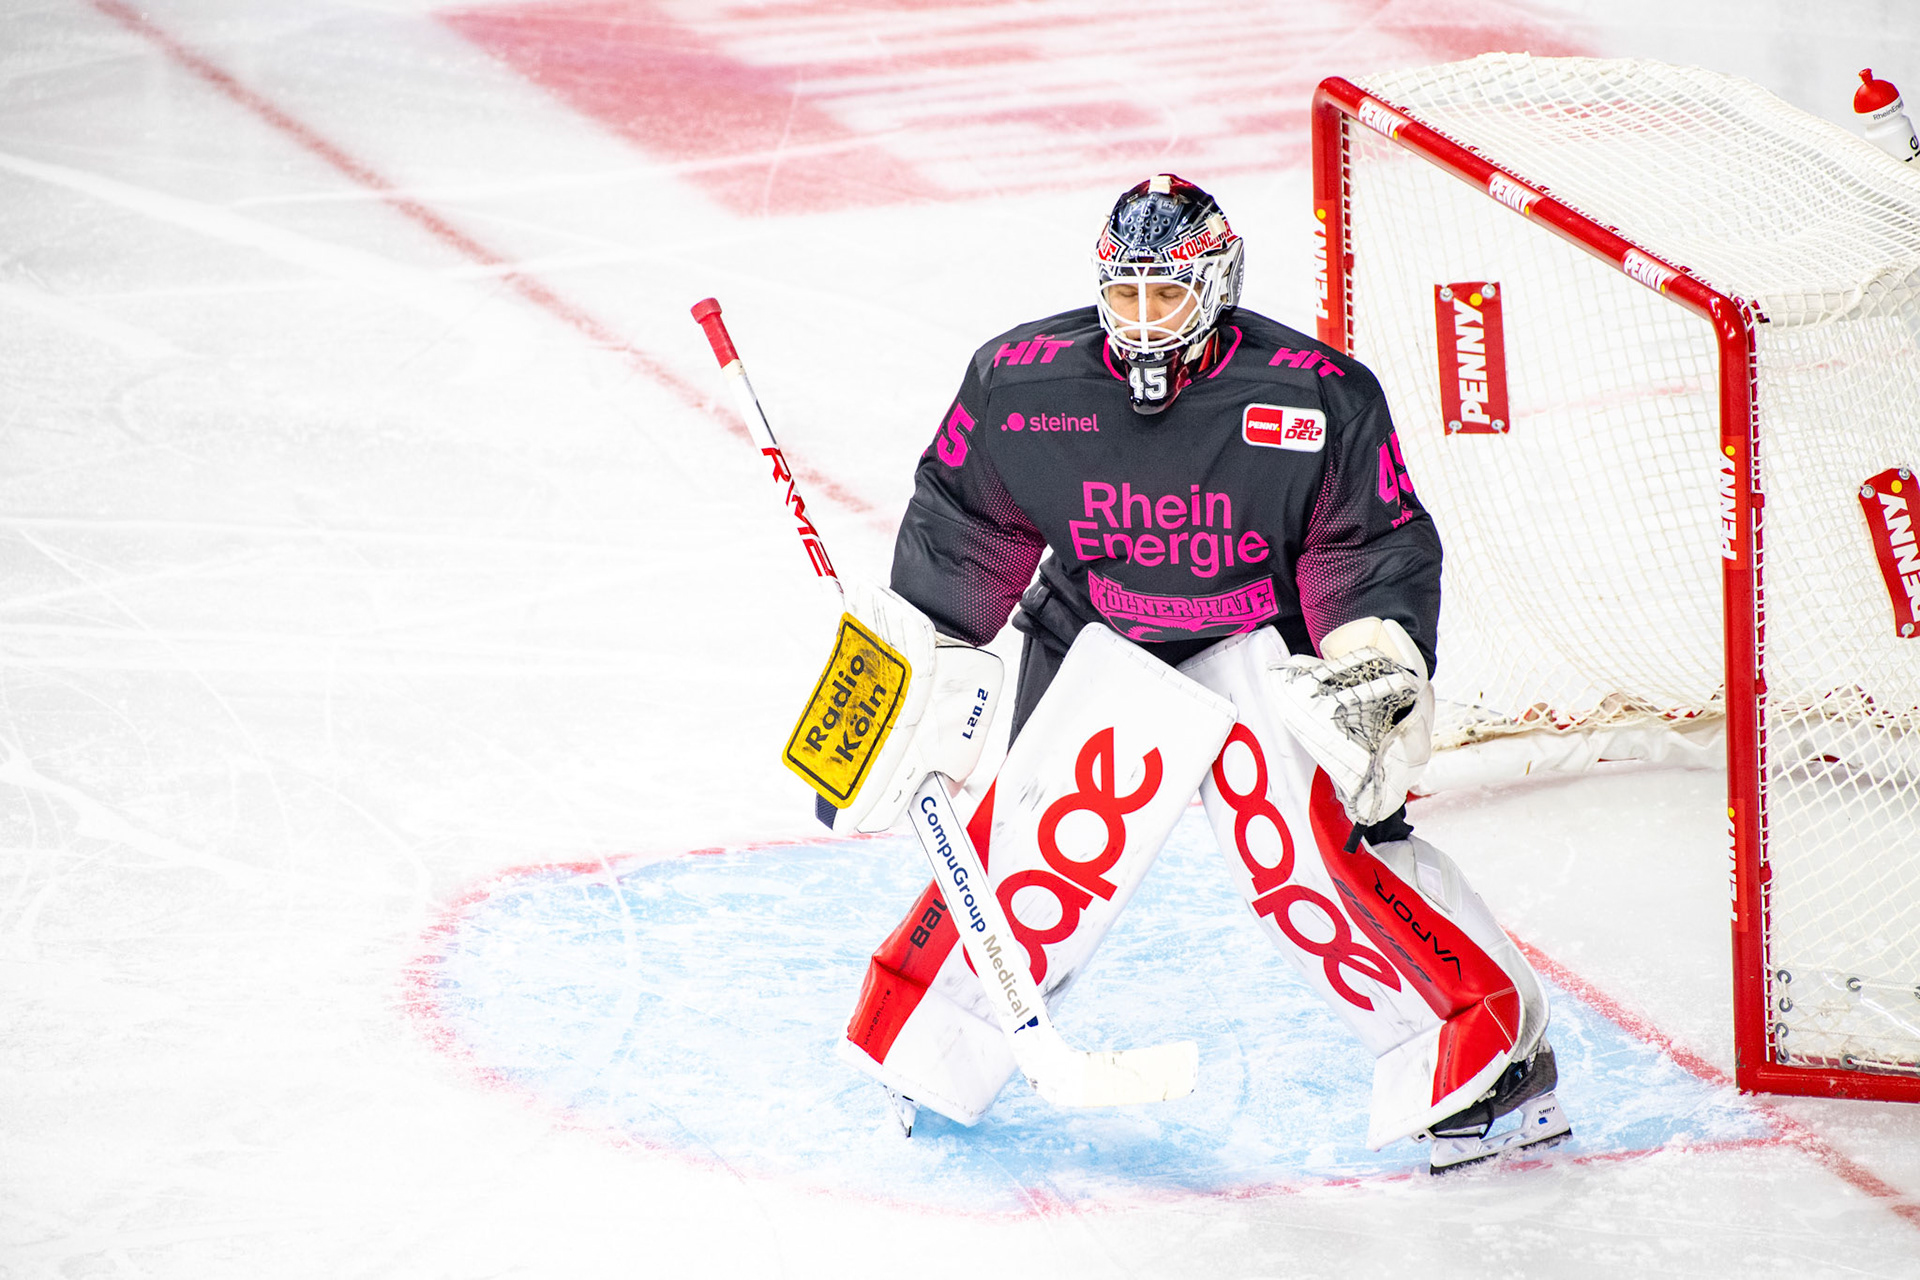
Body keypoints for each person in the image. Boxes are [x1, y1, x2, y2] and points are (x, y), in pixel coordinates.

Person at [829, 174, 1568, 1172]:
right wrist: (899, 681)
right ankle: (932, 1040)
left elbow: (1369, 544)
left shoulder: (1314, 394)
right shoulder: (1021, 383)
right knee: (1038, 845)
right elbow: (963, 528)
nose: (1141, 321)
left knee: (1317, 860)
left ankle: (1493, 1058)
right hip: (1099, 629)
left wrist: (1372, 661)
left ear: (1217, 287)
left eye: (1164, 295)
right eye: (1123, 295)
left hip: (1265, 642)